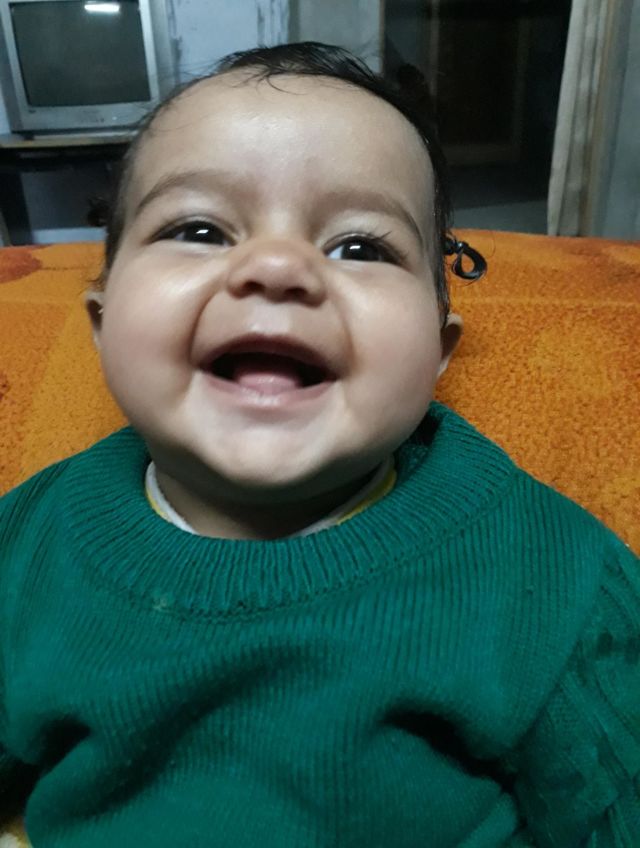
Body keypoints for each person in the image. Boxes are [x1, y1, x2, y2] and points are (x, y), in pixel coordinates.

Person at [0, 42, 638, 848]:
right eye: (199, 229)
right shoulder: (23, 545)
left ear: (437, 353)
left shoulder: (553, 579)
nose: (277, 267)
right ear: (101, 325)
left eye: (360, 247)